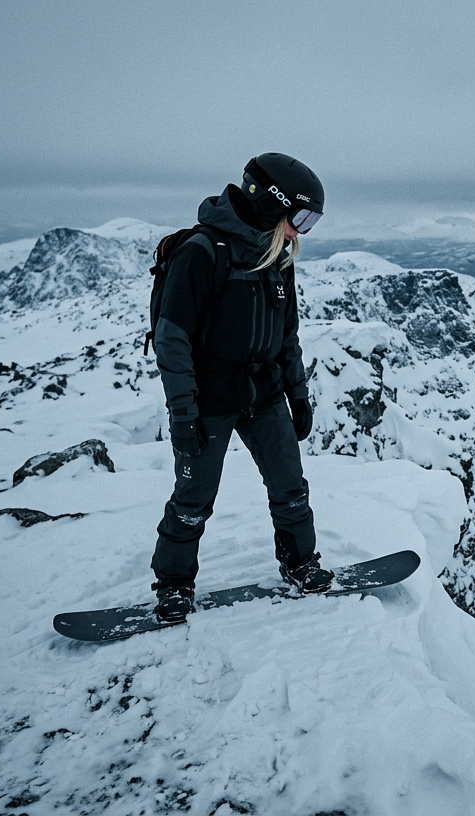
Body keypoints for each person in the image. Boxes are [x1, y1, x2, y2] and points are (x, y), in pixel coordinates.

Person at [149, 152, 331, 622]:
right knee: (193, 499)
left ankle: (300, 563)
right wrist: (184, 413)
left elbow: (286, 336)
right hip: (210, 397)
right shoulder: (202, 253)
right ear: (273, 204)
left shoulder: (277, 259)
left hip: (263, 392)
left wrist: (299, 395)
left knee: (291, 485)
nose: (300, 231)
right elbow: (172, 339)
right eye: (301, 217)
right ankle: (173, 583)